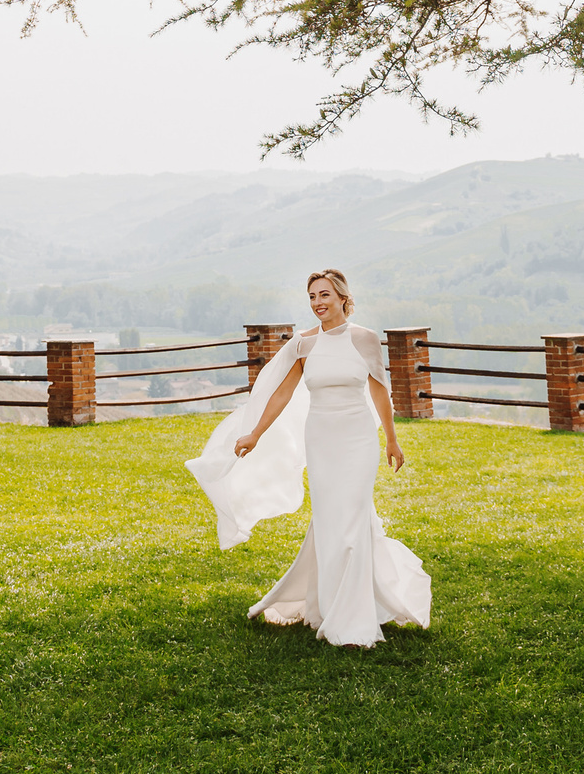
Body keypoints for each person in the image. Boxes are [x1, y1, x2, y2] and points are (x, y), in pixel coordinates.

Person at [185, 269, 432, 646]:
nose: (318, 303)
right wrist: (255, 433)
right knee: (332, 521)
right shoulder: (304, 344)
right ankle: (327, 603)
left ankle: (352, 616)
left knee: (352, 517)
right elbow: (281, 394)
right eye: (312, 296)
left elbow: (381, 392)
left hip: (358, 439)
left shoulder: (364, 339)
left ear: (343, 298)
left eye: (325, 295)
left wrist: (392, 441)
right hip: (322, 439)